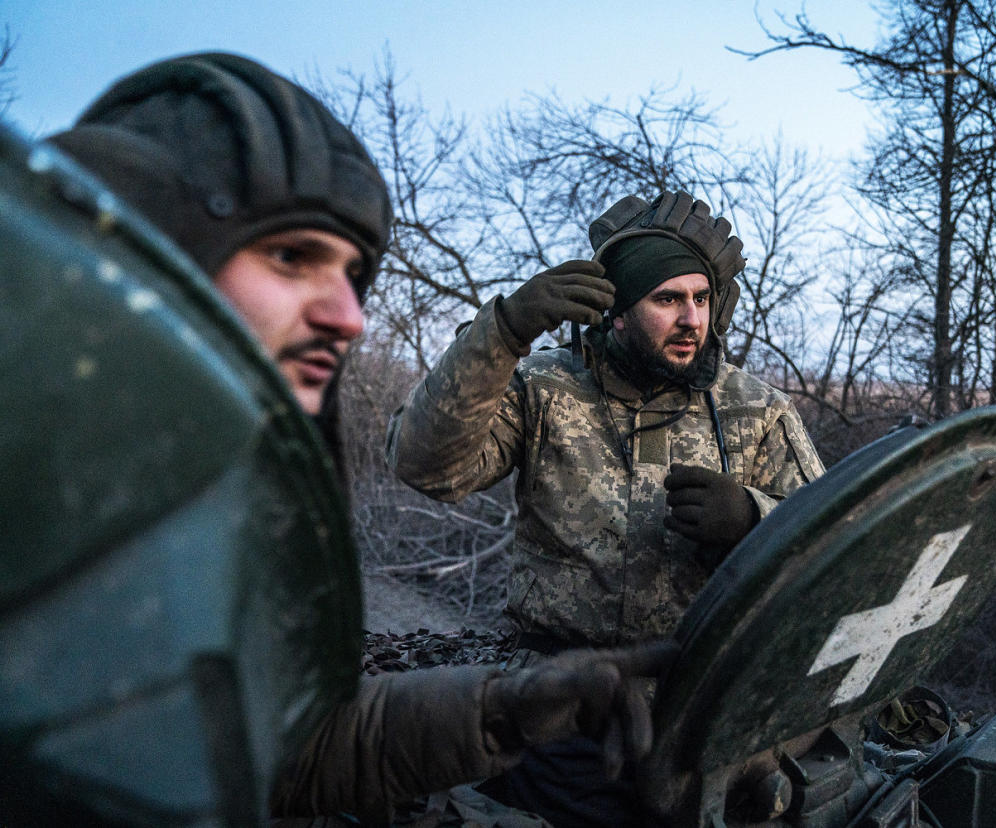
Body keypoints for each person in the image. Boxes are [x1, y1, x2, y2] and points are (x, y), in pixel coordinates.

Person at [45, 52, 673, 826]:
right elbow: (427, 462)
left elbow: (287, 751)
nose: (349, 316)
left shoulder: (205, 501)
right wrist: (505, 330)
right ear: (143, 245)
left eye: (352, 273)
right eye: (290, 256)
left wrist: (502, 712)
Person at [386, 191, 825, 654]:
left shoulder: (757, 409)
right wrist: (503, 329)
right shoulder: (544, 388)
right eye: (667, 299)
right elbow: (426, 466)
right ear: (617, 315)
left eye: (701, 298)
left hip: (700, 688)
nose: (692, 319)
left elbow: (837, 541)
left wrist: (755, 517)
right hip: (553, 682)